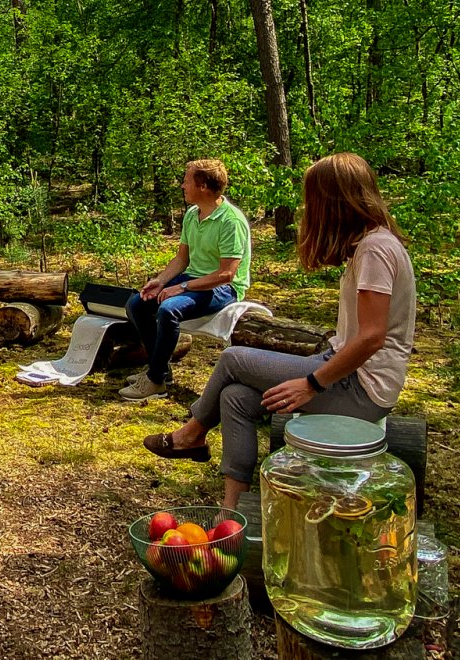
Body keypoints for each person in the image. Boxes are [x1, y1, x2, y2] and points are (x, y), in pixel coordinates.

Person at [141, 153, 417, 515]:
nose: (307, 207)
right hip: (342, 371)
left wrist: (312, 383)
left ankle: (191, 433)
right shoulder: (367, 246)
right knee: (237, 396)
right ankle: (232, 511)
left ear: (335, 199)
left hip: (363, 388)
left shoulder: (375, 251)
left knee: (233, 357)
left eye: (312, 198)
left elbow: (372, 338)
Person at [117, 158, 252, 401]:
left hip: (224, 287)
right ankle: (161, 370)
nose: (182, 186)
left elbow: (226, 274)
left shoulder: (231, 221)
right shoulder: (192, 215)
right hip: (194, 279)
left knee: (168, 309)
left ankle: (155, 381)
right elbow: (182, 259)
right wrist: (160, 281)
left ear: (202, 187)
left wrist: (181, 287)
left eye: (186, 181)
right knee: (137, 303)